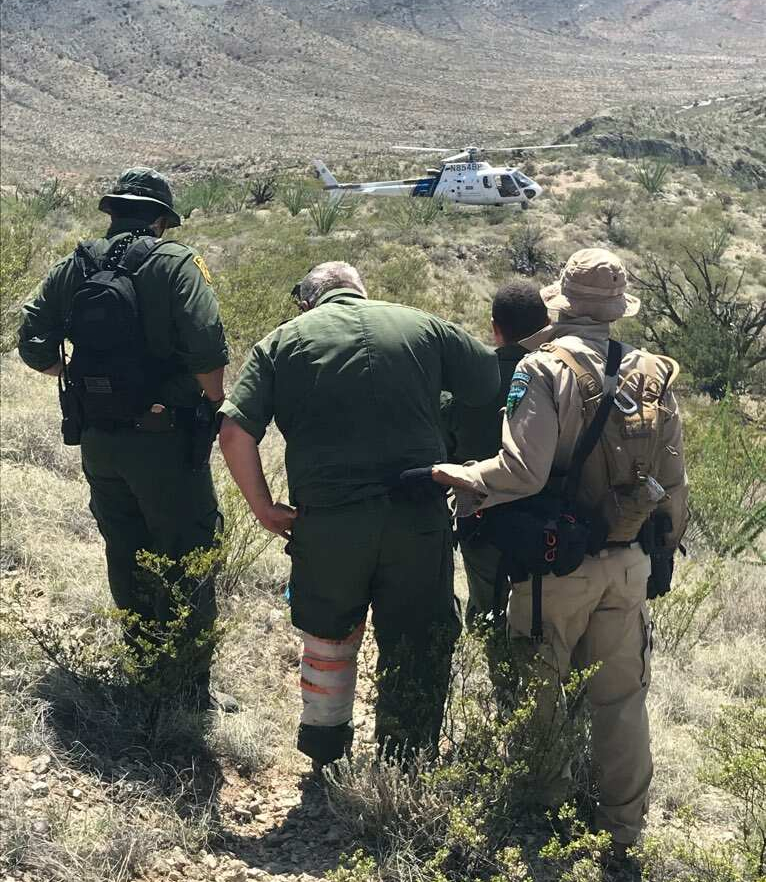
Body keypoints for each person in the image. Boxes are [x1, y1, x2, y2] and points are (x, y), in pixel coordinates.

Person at [432, 248, 689, 860]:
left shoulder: (543, 367)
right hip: (630, 560)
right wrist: (659, 552)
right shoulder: (652, 372)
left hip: (557, 567)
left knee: (537, 690)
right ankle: (623, 830)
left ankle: (543, 811)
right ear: (616, 310)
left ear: (564, 304)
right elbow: (675, 489)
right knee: (622, 701)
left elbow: (523, 471)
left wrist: (462, 476)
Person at [218, 261, 500, 769]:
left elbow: (235, 434)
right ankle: (405, 763)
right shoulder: (423, 325)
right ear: (361, 291)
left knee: (328, 636)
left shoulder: (281, 342)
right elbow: (490, 381)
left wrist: (263, 507)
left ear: (307, 302)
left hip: (328, 522)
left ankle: (325, 753)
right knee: (417, 640)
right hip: (418, 516)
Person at [18, 167, 235, 711]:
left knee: (127, 549)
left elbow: (34, 344)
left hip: (99, 440)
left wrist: (89, 386)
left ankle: (143, 669)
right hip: (164, 442)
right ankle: (186, 690)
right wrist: (213, 403)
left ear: (113, 212)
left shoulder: (77, 264)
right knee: (188, 553)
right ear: (162, 219)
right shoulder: (176, 262)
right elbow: (208, 348)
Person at [440, 280, 547, 626]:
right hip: (546, 524)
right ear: (546, 327)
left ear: (495, 327)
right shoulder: (557, 379)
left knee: (488, 616)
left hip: (482, 523)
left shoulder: (465, 383)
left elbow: (445, 451)